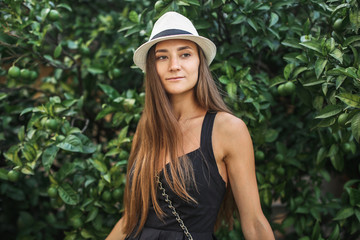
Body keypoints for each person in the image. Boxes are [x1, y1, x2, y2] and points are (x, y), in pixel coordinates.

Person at [106, 11, 275, 240]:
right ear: (153, 67)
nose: (174, 65)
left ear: (199, 62)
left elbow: (254, 223)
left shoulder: (227, 129)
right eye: (162, 57)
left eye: (185, 54)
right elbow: (130, 219)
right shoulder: (146, 128)